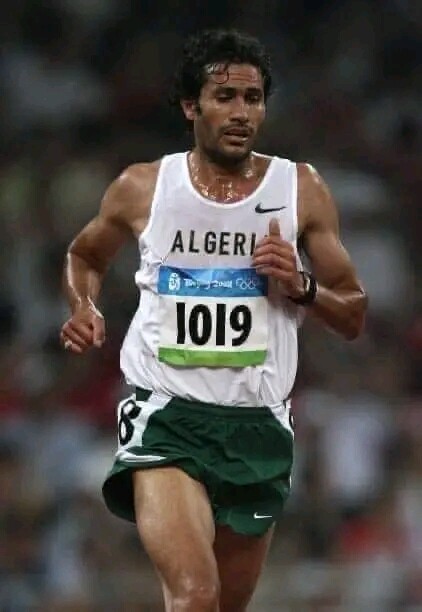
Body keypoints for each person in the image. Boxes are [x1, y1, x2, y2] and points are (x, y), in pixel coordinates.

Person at [60, 29, 368, 612]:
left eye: (253, 98)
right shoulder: (144, 187)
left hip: (258, 427)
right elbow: (85, 255)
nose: (241, 112)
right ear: (190, 106)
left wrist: (301, 286)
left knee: (224, 605)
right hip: (168, 419)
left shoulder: (300, 189)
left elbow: (353, 312)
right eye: (225, 96)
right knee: (196, 596)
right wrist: (84, 305)